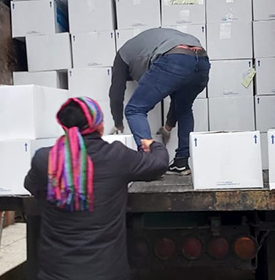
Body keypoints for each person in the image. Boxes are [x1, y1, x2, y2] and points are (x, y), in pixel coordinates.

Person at [24, 96, 168, 280]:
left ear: (64, 127)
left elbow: (30, 186)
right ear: (99, 126)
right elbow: (159, 164)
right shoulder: (116, 156)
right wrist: (153, 145)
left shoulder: (45, 159)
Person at [109, 28, 210, 175]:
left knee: (134, 109)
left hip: (174, 56)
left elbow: (116, 93)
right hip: (201, 59)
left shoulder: (122, 56)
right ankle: (181, 162)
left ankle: (151, 163)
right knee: (184, 109)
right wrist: (168, 127)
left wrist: (118, 123)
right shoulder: (146, 47)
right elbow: (175, 96)